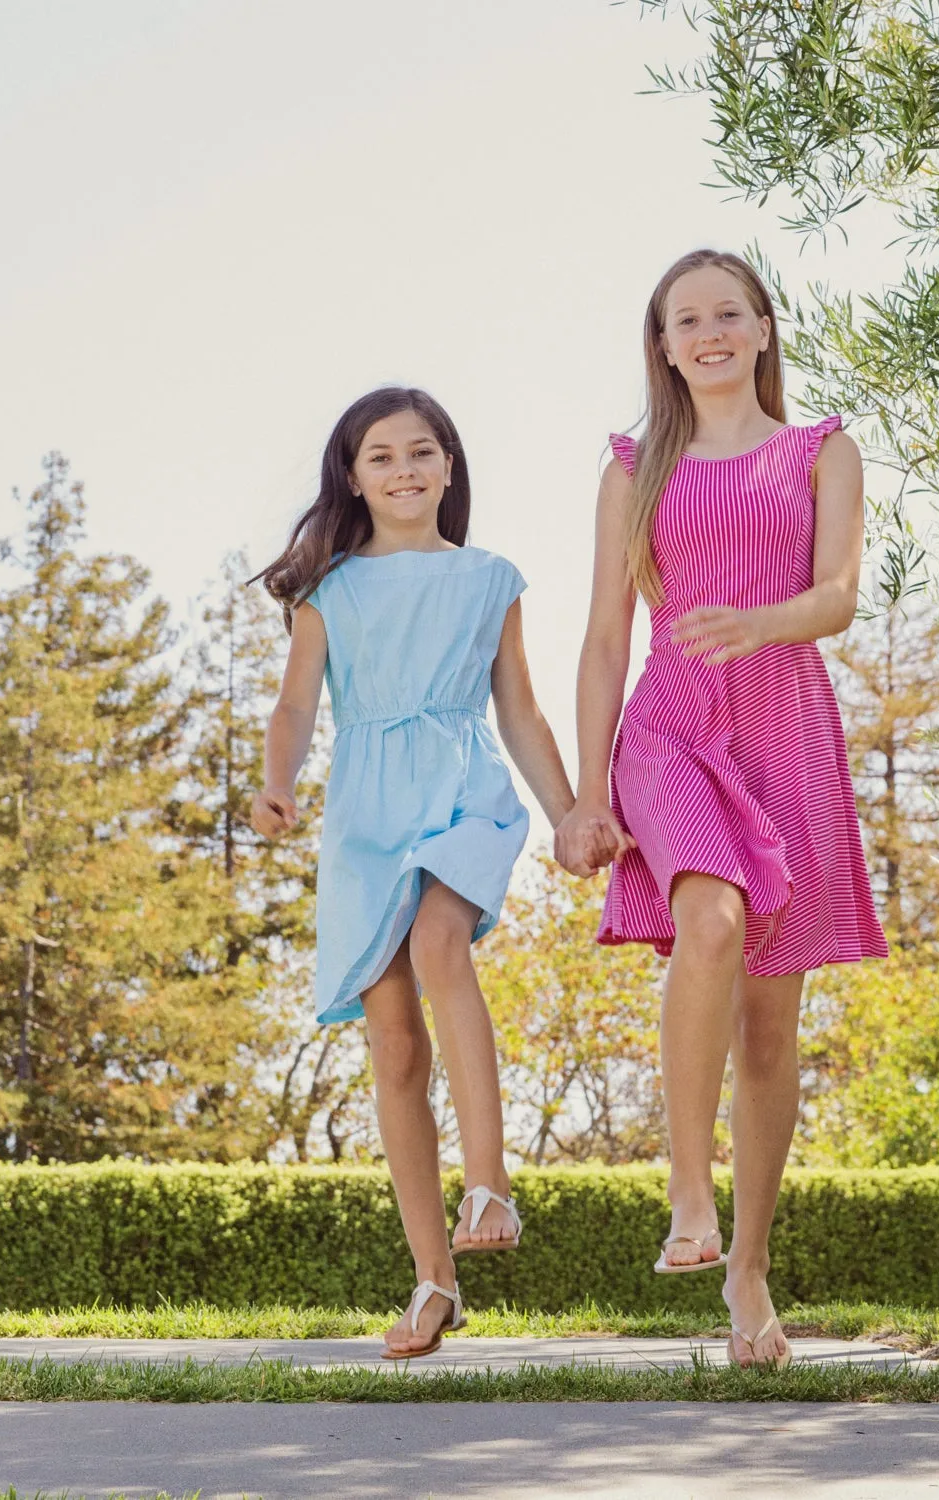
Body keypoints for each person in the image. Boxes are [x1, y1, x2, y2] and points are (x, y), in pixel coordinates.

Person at [557, 250, 888, 1370]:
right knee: (706, 919)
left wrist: (762, 622)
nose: (706, 333)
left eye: (726, 314)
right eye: (683, 319)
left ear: (760, 330)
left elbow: (839, 598)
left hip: (784, 721)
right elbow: (605, 637)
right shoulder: (632, 468)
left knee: (769, 1032)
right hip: (670, 728)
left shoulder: (821, 450)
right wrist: (587, 792)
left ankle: (747, 1271)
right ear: (662, 343)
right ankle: (687, 1194)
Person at [252, 387, 575, 1359]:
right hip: (364, 817)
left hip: (464, 788)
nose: (403, 470)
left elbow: (518, 710)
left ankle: (492, 1186)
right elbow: (296, 709)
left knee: (443, 944)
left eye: (421, 452)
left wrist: (569, 816)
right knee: (393, 1047)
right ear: (353, 476)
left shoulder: (489, 580)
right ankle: (435, 1281)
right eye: (381, 457)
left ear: (449, 466)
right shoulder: (330, 590)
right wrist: (277, 786)